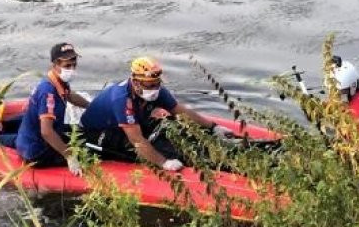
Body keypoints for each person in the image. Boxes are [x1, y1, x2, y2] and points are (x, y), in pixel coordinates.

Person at [80, 56, 231, 172]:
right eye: (150, 85)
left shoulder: (155, 90)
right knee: (138, 150)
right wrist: (163, 162)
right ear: (136, 82)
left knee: (172, 125)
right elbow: (137, 141)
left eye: (158, 84)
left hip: (128, 124)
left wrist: (213, 127)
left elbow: (179, 110)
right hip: (98, 133)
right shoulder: (121, 100)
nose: (155, 88)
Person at [15, 43, 90, 175]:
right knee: (86, 154)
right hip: (36, 150)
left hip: (35, 135)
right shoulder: (48, 92)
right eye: (67, 66)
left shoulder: (57, 80)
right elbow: (46, 132)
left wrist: (90, 106)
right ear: (55, 64)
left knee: (82, 133)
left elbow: (70, 95)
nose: (72, 69)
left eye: (74, 65)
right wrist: (69, 156)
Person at [327, 56, 359, 135]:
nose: (336, 96)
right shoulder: (341, 100)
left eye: (341, 92)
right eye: (334, 92)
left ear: (352, 88)